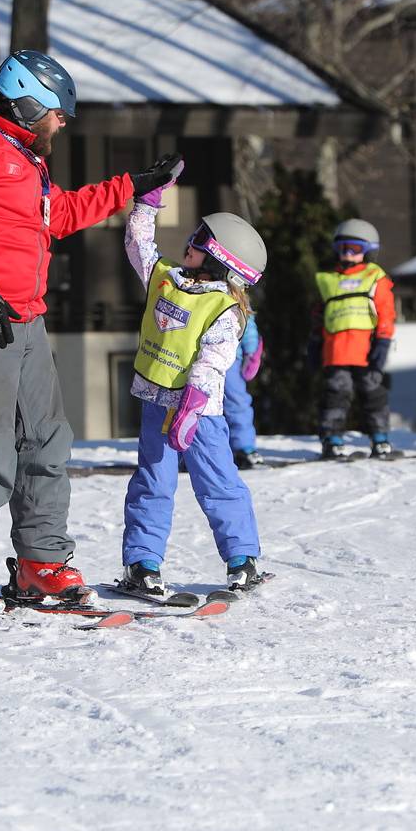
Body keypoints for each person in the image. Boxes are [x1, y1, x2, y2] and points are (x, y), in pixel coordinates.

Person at [0, 48, 182, 610]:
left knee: (46, 440)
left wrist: (129, 186)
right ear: (29, 103)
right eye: (58, 112)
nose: (63, 122)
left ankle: (41, 563)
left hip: (21, 318)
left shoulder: (22, 158)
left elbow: (56, 215)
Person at [120, 167, 268, 597]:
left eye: (201, 242)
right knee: (152, 482)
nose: (190, 244)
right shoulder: (165, 279)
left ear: (221, 259)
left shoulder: (226, 309)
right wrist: (145, 205)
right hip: (155, 403)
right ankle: (142, 564)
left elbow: (212, 362)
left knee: (218, 481)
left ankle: (242, 559)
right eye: (194, 236)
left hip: (200, 414)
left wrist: (192, 406)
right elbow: (138, 246)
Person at [309, 219, 396, 460]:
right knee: (335, 396)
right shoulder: (328, 280)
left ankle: (380, 439)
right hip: (335, 351)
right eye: (343, 248)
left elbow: (386, 312)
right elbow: (319, 314)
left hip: (366, 351)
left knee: (373, 395)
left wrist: (383, 342)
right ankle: (332, 440)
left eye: (355, 249)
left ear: (369, 251)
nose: (347, 253)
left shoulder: (374, 277)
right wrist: (315, 343)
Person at [224, 313, 267, 469]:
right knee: (195, 406)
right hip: (197, 357)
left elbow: (246, 323)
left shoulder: (235, 292)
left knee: (236, 402)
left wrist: (251, 352)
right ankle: (188, 452)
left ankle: (243, 447)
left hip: (230, 359)